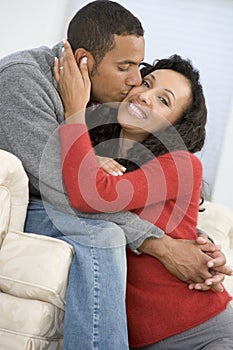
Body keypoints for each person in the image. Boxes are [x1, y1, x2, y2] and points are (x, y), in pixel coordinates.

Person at [0, 1, 231, 349]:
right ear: (84, 62)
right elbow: (84, 193)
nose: (137, 84)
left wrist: (198, 242)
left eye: (139, 69)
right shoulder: (90, 123)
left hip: (202, 329)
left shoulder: (177, 162)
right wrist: (164, 245)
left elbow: (102, 195)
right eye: (132, 71)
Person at [55, 48, 233, 349]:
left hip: (205, 331)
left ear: (175, 126)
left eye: (164, 100)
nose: (146, 96)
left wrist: (74, 110)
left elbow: (96, 196)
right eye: (146, 84)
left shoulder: (183, 164)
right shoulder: (93, 153)